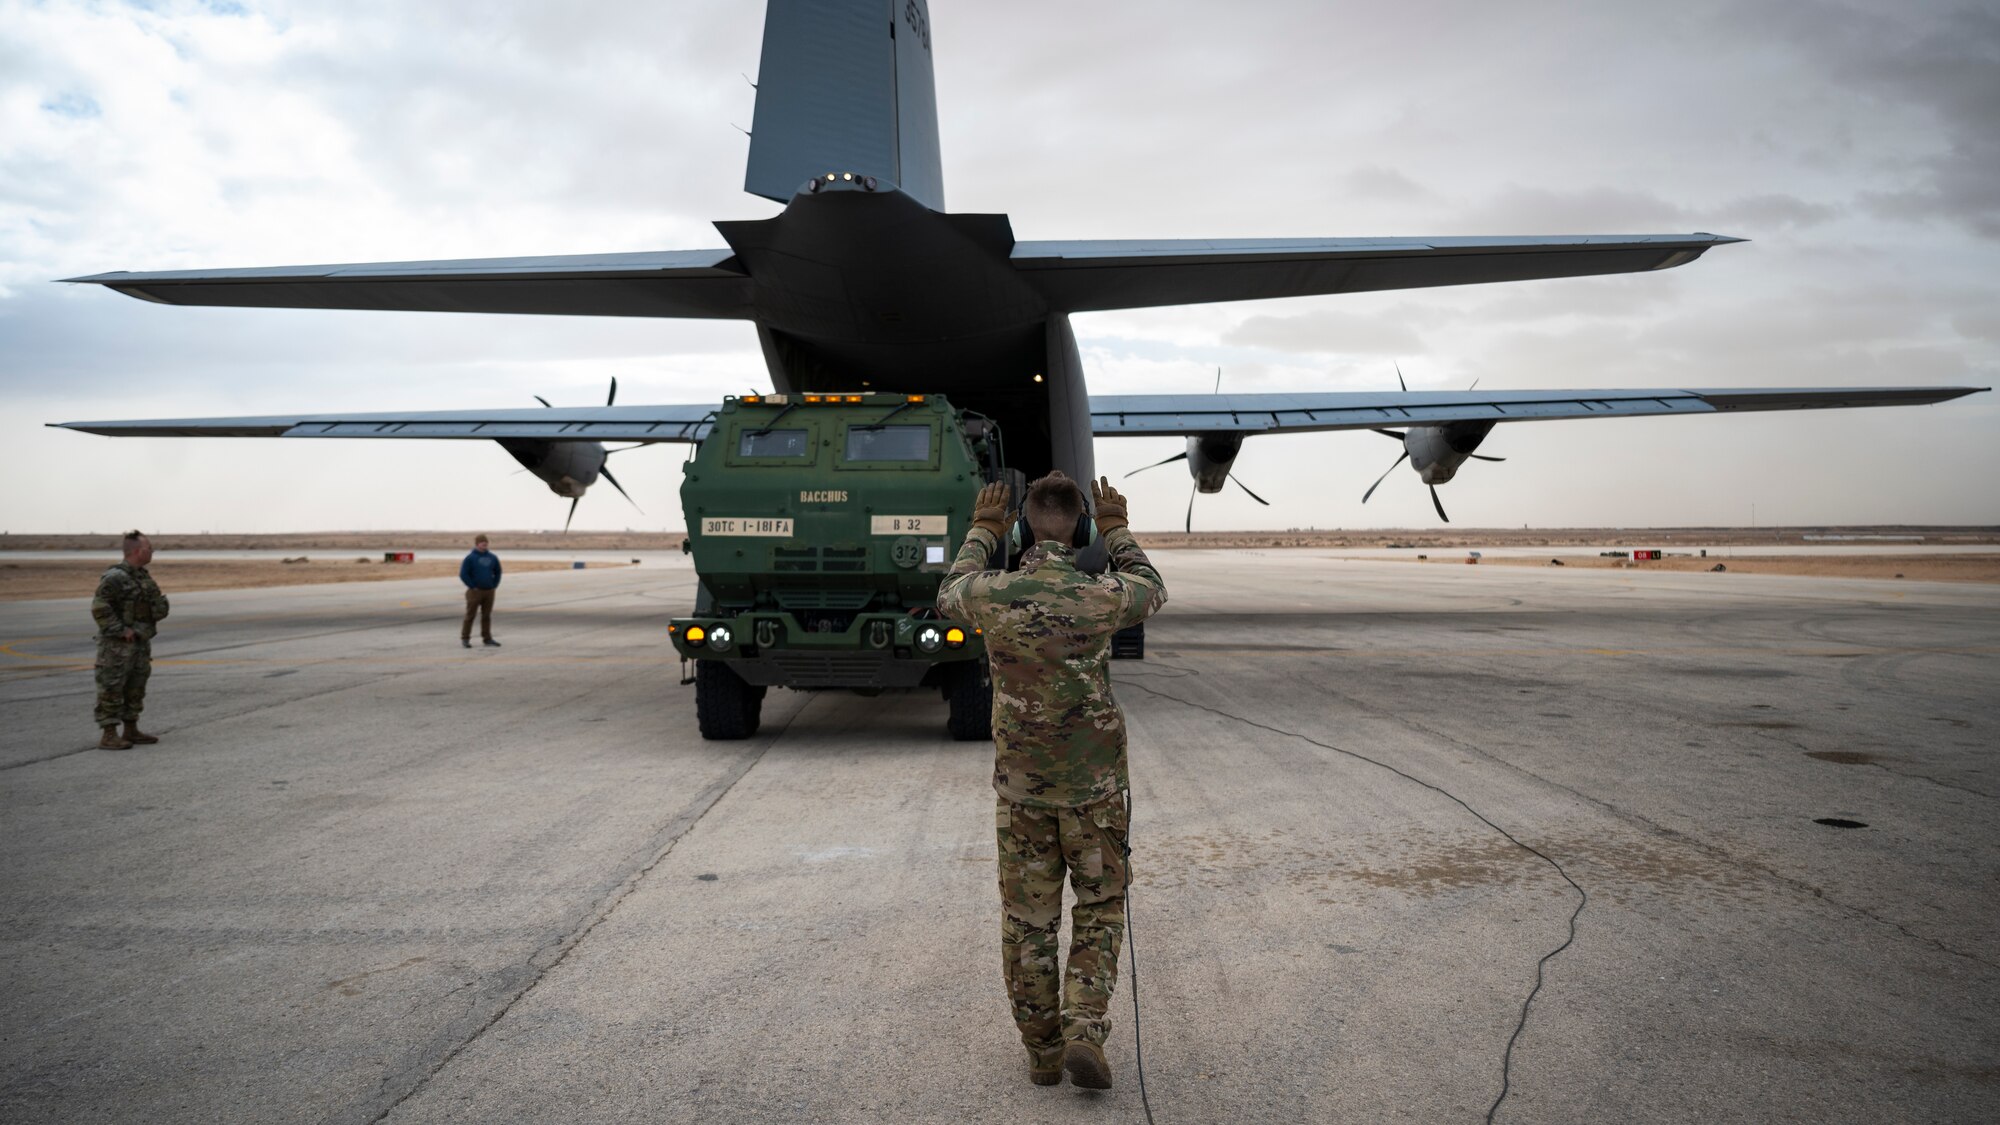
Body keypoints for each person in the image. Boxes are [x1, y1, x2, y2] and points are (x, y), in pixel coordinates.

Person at [937, 471, 1168, 1090]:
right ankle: (1084, 1028)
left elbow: (949, 591)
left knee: (1027, 924)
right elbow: (1151, 585)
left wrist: (984, 530)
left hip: (1023, 793)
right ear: (1084, 531)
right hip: (1094, 791)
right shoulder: (1099, 595)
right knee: (1099, 908)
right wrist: (1117, 528)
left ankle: (1042, 1054)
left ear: (1021, 531)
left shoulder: (994, 593)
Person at [91, 530, 170, 750]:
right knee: (112, 686)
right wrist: (119, 630)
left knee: (136, 685)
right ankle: (108, 734)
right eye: (149, 548)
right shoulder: (115, 577)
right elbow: (100, 607)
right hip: (117, 646)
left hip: (139, 641)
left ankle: (131, 729)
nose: (152, 552)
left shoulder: (142, 576)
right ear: (137, 551)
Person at [459, 534, 503, 648]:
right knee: (470, 615)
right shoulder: (470, 558)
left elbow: (498, 571)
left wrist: (494, 584)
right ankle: (465, 638)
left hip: (489, 591)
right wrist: (472, 586)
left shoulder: (492, 557)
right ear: (477, 544)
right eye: (482, 542)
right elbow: (463, 574)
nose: (485, 544)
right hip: (475, 592)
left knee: (486, 616)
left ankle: (487, 638)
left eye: (486, 542)